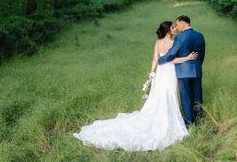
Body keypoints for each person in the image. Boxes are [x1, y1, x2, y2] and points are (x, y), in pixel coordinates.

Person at [73, 21, 197, 151]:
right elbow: (172, 60)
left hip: (161, 73)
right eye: (173, 27)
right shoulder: (173, 43)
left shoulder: (158, 43)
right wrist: (188, 58)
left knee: (160, 95)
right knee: (169, 95)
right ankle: (167, 122)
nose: (175, 29)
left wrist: (152, 74)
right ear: (167, 30)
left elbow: (155, 59)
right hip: (170, 72)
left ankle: (161, 118)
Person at [158, 15, 205, 127]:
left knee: (186, 98)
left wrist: (161, 59)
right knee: (198, 98)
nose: (177, 28)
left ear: (183, 24)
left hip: (183, 73)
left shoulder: (180, 37)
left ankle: (189, 123)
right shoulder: (200, 36)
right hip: (197, 71)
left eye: (177, 25)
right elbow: (202, 55)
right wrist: (197, 65)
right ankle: (200, 122)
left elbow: (172, 54)